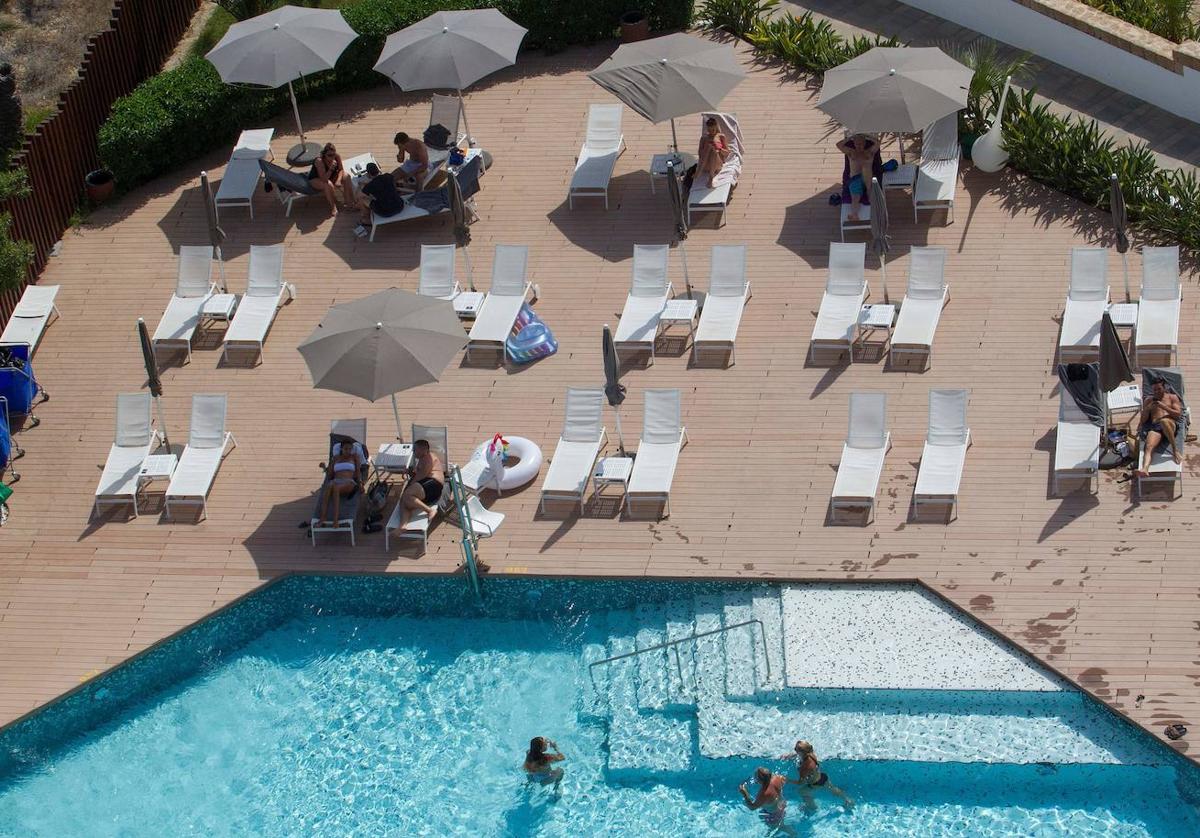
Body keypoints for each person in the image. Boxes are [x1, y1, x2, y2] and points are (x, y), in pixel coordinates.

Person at [780, 740, 854, 812]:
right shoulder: (811, 754)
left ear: (802, 752)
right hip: (822, 777)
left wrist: (787, 780)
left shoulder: (805, 767)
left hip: (815, 784)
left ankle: (812, 807)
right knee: (833, 789)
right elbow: (801, 754)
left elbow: (800, 783)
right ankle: (848, 799)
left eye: (796, 749)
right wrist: (789, 756)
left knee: (802, 791)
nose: (795, 750)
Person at [1129, 379, 1183, 477]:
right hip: (1155, 427)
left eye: (1159, 389)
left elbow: (1178, 415)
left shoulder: (1172, 397)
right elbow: (1144, 420)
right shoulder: (1149, 400)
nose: (1157, 391)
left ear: (1164, 387)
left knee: (1164, 421)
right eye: (1154, 390)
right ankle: (1145, 469)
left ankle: (1175, 450)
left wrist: (1164, 407)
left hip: (1170, 423)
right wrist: (1148, 409)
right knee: (1149, 447)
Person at [397, 439, 444, 530]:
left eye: (415, 449)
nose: (413, 451)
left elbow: (421, 476)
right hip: (426, 490)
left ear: (424, 450)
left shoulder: (429, 458)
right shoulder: (422, 459)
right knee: (403, 501)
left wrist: (408, 487)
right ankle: (403, 525)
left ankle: (430, 511)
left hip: (434, 484)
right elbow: (418, 476)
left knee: (406, 495)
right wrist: (410, 472)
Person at [316, 442, 363, 526]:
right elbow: (330, 475)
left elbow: (358, 473)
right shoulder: (336, 458)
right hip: (335, 481)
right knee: (329, 487)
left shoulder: (354, 457)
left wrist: (360, 484)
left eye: (350, 449)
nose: (348, 451)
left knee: (336, 488)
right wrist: (324, 467)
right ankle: (323, 517)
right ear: (341, 449)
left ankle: (335, 520)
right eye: (346, 449)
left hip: (349, 482)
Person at [352, 163, 405, 238]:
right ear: (378, 170)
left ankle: (366, 220)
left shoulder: (370, 186)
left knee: (362, 199)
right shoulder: (388, 176)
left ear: (368, 174)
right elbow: (383, 184)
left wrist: (360, 186)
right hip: (399, 205)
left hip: (386, 212)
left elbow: (358, 196)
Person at [836, 133, 879, 221]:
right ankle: (854, 214)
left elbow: (878, 143)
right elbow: (838, 145)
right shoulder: (851, 152)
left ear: (865, 143)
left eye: (861, 144)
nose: (859, 146)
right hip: (855, 179)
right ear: (854, 144)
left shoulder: (869, 152)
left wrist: (868, 136)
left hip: (867, 178)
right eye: (857, 144)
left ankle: (875, 211)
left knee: (868, 181)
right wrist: (850, 137)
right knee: (855, 197)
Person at [740, 767, 794, 836]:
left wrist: (745, 793)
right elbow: (784, 779)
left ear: (760, 781)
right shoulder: (777, 778)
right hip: (781, 805)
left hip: (773, 815)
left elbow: (752, 807)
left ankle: (793, 834)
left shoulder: (764, 793)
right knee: (777, 826)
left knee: (777, 828)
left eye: (756, 777)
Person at [308, 143, 353, 213]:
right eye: (329, 155)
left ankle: (349, 203)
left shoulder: (337, 156)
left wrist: (338, 180)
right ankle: (333, 206)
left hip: (331, 176)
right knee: (328, 184)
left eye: (333, 154)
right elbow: (324, 179)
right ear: (324, 154)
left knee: (347, 176)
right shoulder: (319, 161)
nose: (332, 157)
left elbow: (341, 170)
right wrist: (331, 168)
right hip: (317, 179)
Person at [698, 116, 730, 185]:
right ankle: (701, 170)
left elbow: (727, 153)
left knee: (713, 150)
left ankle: (710, 177)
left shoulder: (721, 136)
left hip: (717, 164)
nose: (711, 132)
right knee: (709, 147)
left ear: (716, 127)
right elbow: (700, 154)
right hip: (706, 164)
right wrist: (707, 148)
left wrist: (719, 149)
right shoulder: (703, 138)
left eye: (713, 130)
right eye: (709, 130)